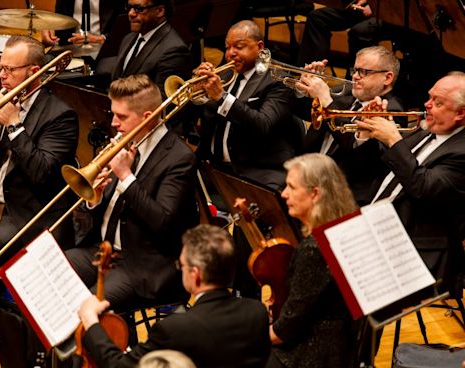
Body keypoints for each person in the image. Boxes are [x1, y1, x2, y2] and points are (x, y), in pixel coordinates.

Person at [0, 35, 79, 366]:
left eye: (9, 69)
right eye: (0, 67)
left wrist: (15, 127)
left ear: (34, 71)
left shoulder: (60, 116)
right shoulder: (9, 103)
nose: (0, 76)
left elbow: (40, 172)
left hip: (31, 214)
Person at [66, 74, 198, 315]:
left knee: (85, 309)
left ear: (147, 117)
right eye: (113, 114)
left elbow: (163, 222)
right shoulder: (123, 142)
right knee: (48, 275)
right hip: (102, 250)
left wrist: (126, 177)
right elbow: (86, 220)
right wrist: (94, 200)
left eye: (122, 116)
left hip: (143, 265)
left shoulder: (179, 158)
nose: (114, 123)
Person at [78, 224, 271, 368]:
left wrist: (91, 322)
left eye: (182, 265)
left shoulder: (175, 328)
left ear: (195, 275)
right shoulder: (257, 313)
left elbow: (119, 366)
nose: (181, 270)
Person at [355, 71, 465, 297]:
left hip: (413, 249)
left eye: (438, 102)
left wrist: (393, 138)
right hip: (374, 226)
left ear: (461, 113)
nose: (427, 105)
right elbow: (390, 167)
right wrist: (369, 129)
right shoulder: (429, 131)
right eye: (429, 97)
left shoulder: (462, 152)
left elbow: (422, 186)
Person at [268, 153, 358, 368]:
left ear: (315, 194)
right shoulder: (345, 228)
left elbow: (285, 330)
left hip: (311, 354)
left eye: (291, 187)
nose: (283, 194)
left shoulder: (315, 249)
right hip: (341, 345)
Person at [195, 19, 305, 190]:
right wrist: (198, 95)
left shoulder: (278, 80)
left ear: (260, 47)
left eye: (239, 47)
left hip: (257, 170)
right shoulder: (224, 74)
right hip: (213, 167)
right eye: (227, 47)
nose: (231, 53)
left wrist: (222, 97)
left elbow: (263, 124)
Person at [294, 45, 403, 205]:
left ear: (387, 78)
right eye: (355, 70)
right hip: (307, 176)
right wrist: (305, 86)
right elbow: (302, 111)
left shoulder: (391, 111)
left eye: (364, 72)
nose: (355, 77)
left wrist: (325, 99)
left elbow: (353, 149)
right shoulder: (346, 94)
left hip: (341, 195)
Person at [96, 0, 191, 97]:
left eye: (139, 9)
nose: (131, 13)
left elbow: (162, 102)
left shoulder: (174, 50)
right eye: (129, 7)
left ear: (160, 11)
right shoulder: (129, 38)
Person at [42, 0, 131, 46]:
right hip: (71, 48)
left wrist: (103, 39)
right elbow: (60, 15)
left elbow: (128, 23)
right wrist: (52, 28)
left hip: (105, 50)